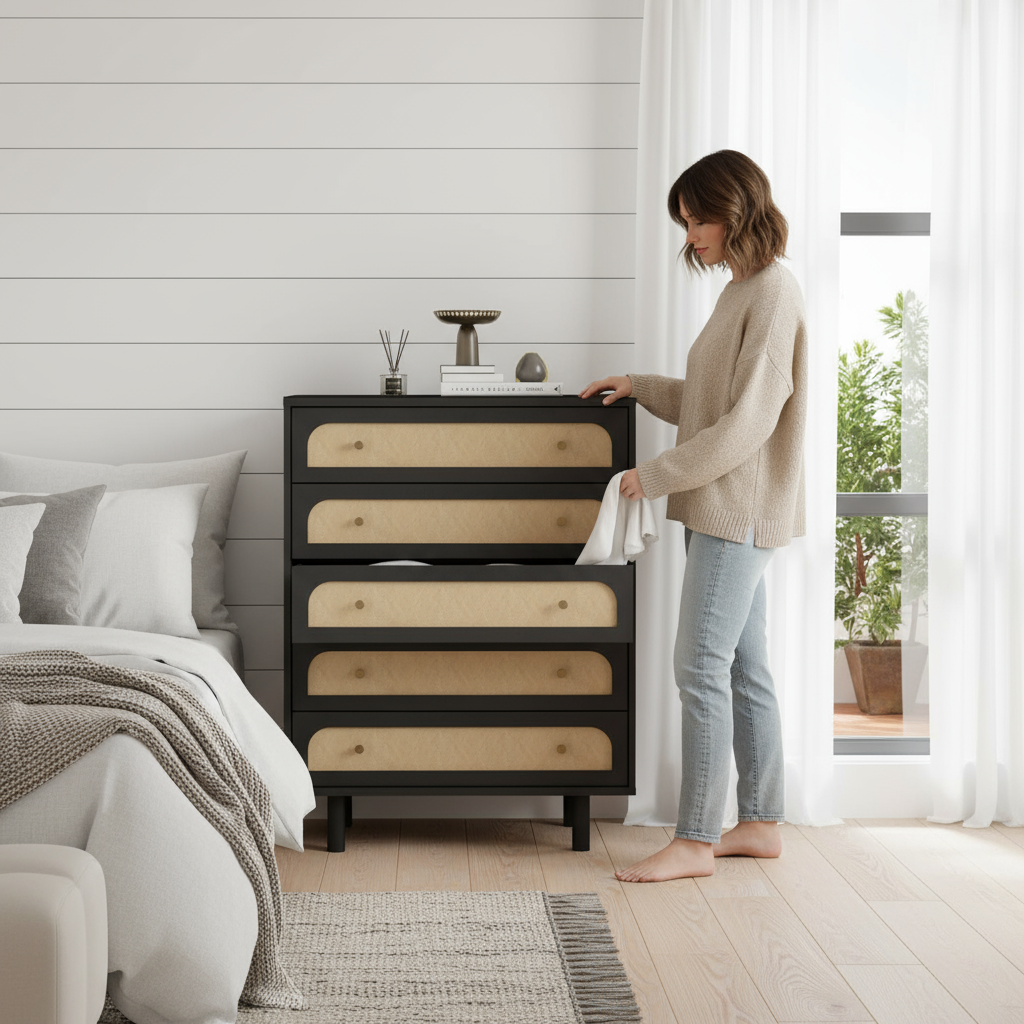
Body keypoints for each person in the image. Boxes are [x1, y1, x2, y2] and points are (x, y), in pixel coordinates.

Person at [580, 149, 807, 882]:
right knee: (746, 667)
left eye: (699, 219)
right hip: (728, 506)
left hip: (735, 510)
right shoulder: (742, 290)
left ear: (735, 210)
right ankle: (763, 824)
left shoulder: (773, 291)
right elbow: (711, 400)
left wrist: (655, 475)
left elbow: (747, 425)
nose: (692, 236)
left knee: (698, 668)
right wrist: (641, 386)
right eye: (686, 222)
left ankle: (695, 839)